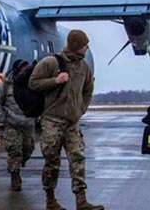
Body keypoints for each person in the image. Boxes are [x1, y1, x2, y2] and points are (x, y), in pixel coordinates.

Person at [29, 30, 103, 210]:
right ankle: (50, 199)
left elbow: (88, 90)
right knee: (52, 162)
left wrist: (81, 109)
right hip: (52, 121)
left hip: (72, 122)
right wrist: (55, 81)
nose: (87, 47)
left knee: (78, 158)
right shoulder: (50, 62)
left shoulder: (84, 67)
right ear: (77, 45)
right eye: (85, 44)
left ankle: (81, 200)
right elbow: (33, 83)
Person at [0, 60, 36, 191]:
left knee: (29, 148)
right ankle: (15, 175)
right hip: (12, 123)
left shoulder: (32, 84)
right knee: (14, 149)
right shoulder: (5, 86)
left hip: (28, 122)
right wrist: (3, 118)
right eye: (22, 69)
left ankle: (19, 163)